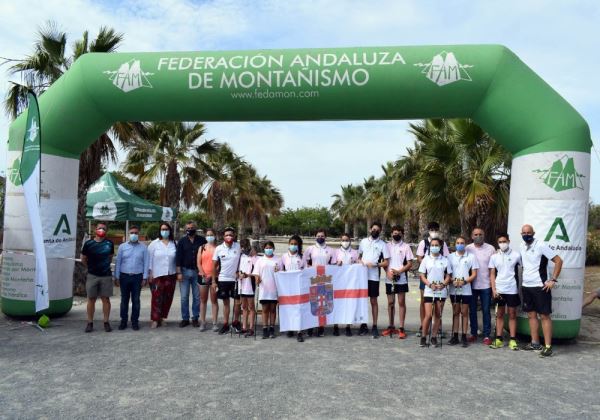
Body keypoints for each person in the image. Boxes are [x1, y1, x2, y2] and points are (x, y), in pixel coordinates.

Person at [520, 224, 563, 358]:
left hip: (540, 286)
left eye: (529, 232)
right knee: (531, 315)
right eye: (524, 233)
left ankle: (548, 346)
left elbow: (558, 261)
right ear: (521, 234)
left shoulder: (541, 245)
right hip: (526, 286)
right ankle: (535, 343)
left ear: (533, 233)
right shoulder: (522, 246)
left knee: (544, 316)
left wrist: (553, 280)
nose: (526, 235)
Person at [416, 222, 450, 337]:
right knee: (424, 301)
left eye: (436, 229)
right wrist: (427, 266)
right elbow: (419, 257)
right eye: (431, 229)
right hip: (427, 276)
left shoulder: (443, 243)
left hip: (440, 277)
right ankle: (423, 325)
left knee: (439, 306)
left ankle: (438, 327)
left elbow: (446, 258)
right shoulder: (423, 242)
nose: (434, 231)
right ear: (428, 230)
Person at [488, 234, 521, 351]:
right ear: (498, 243)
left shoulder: (516, 255)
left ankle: (512, 340)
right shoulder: (494, 257)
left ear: (509, 241)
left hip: (512, 289)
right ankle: (499, 339)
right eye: (500, 242)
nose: (502, 243)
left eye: (504, 241)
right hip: (499, 289)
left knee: (512, 314)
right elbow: (492, 274)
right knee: (500, 314)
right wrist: (494, 290)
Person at [358, 222, 390, 339]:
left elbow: (386, 262)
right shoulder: (363, 242)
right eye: (373, 229)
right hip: (362, 276)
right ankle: (363, 324)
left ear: (380, 231)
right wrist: (361, 262)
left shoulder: (383, 244)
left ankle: (375, 326)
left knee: (373, 301)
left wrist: (376, 264)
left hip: (374, 277)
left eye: (377, 230)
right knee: (363, 301)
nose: (375, 231)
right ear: (370, 229)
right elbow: (358, 257)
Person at [418, 238, 452, 347]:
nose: (434, 247)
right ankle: (423, 337)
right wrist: (429, 284)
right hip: (429, 290)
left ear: (440, 246)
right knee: (428, 315)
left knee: (438, 314)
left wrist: (443, 284)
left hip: (441, 291)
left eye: (436, 245)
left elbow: (448, 276)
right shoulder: (426, 259)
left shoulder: (445, 260)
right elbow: (422, 275)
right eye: (432, 245)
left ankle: (433, 337)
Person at [81, 222, 115, 333]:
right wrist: (91, 267)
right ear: (96, 229)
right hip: (92, 275)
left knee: (106, 299)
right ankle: (90, 323)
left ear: (106, 231)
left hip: (106, 276)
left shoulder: (109, 243)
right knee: (91, 299)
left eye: (104, 228)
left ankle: (106, 322)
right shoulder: (88, 243)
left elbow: (110, 258)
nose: (101, 230)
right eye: (100, 228)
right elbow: (83, 259)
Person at [303, 228, 337, 336]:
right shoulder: (310, 249)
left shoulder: (331, 250)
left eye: (322, 236)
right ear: (315, 236)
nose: (320, 238)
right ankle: (310, 327)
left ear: (325, 237)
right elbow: (306, 264)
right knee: (312, 303)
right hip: (313, 280)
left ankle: (321, 327)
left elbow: (334, 265)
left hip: (325, 280)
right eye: (318, 236)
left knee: (322, 303)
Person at [114, 225, 148, 331]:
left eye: (136, 233)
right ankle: (123, 321)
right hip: (124, 276)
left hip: (137, 277)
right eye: (132, 233)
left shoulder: (143, 247)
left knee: (136, 300)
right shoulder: (122, 247)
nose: (134, 235)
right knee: (124, 300)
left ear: (139, 234)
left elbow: (146, 263)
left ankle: (134, 322)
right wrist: (116, 276)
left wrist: (145, 277)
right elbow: (118, 262)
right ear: (129, 234)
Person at [466, 227, 496, 345]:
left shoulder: (491, 248)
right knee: (472, 310)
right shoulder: (468, 248)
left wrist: (493, 285)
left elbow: (494, 268)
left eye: (480, 234)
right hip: (471, 285)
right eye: (476, 234)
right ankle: (473, 333)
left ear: (484, 235)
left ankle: (487, 335)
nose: (478, 236)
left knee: (486, 310)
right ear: (472, 236)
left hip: (486, 285)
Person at [447, 236, 478, 347]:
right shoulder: (450, 257)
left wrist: (464, 282)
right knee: (455, 312)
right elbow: (448, 274)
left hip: (466, 289)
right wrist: (452, 281)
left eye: (462, 242)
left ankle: (464, 336)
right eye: (458, 242)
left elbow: (474, 274)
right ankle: (455, 336)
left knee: (464, 313)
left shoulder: (471, 257)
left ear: (465, 244)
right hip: (453, 289)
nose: (460, 244)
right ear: (455, 244)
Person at [383, 226, 413, 339]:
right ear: (391, 234)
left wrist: (400, 271)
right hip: (389, 278)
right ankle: (391, 326)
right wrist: (387, 273)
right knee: (390, 303)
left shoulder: (406, 247)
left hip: (401, 279)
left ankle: (401, 328)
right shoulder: (386, 246)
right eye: (395, 233)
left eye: (399, 233)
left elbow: (409, 264)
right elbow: (384, 262)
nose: (397, 234)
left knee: (401, 302)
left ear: (402, 234)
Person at [175, 221, 206, 327]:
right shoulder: (182, 241)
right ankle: (185, 318)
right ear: (185, 229)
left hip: (198, 272)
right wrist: (178, 272)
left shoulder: (202, 240)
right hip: (184, 271)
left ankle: (195, 318)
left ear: (195, 228)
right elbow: (178, 257)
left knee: (197, 297)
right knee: (184, 297)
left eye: (192, 227)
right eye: (188, 228)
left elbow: (206, 255)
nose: (190, 229)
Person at [212, 227, 242, 334]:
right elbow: (214, 266)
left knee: (237, 303)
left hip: (236, 280)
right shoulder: (218, 248)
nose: (229, 237)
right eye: (226, 235)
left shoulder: (238, 246)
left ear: (234, 237)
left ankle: (235, 322)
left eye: (231, 235)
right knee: (226, 303)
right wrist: (214, 281)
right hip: (223, 279)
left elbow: (248, 254)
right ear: (223, 237)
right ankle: (225, 324)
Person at [148, 223, 177, 329]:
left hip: (171, 274)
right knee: (156, 298)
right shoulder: (154, 244)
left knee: (167, 298)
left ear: (170, 230)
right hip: (157, 275)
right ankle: (155, 319)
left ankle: (162, 317)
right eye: (162, 229)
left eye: (166, 229)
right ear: (159, 231)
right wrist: (150, 273)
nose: (164, 231)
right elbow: (149, 259)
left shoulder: (174, 243)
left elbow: (177, 259)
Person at [252, 241, 282, 339]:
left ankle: (272, 328)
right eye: (267, 248)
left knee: (273, 309)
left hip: (274, 289)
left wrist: (279, 272)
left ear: (273, 248)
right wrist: (257, 278)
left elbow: (282, 273)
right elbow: (256, 273)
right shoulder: (260, 260)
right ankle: (265, 328)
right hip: (264, 288)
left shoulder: (278, 259)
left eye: (270, 247)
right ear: (264, 249)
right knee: (265, 309)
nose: (268, 249)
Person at [281, 235, 306, 341]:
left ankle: (299, 331)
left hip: (298, 287)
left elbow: (306, 271)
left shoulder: (302, 257)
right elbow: (280, 271)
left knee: (299, 309)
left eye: (295, 244)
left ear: (298, 245)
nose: (293, 246)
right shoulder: (284, 257)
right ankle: (290, 328)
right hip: (287, 287)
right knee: (288, 308)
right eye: (291, 244)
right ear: (288, 244)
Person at [334, 233, 359, 337]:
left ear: (350, 241)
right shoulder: (335, 252)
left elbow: (358, 264)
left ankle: (348, 326)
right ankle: (336, 326)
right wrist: (336, 264)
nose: (345, 242)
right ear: (340, 241)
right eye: (343, 240)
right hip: (338, 282)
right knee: (337, 304)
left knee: (349, 303)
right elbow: (331, 265)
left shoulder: (355, 252)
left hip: (350, 282)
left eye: (347, 240)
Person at [197, 228, 219, 331]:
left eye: (211, 235)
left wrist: (212, 276)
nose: (209, 236)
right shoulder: (201, 248)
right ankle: (203, 322)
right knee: (203, 300)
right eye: (208, 235)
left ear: (214, 236)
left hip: (214, 278)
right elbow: (198, 263)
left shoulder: (218, 248)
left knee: (214, 300)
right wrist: (203, 274)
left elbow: (219, 264)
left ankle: (214, 323)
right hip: (203, 277)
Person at [238, 238, 257, 337]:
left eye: (245, 245)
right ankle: (244, 327)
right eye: (242, 245)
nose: (244, 247)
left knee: (251, 306)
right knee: (244, 306)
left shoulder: (253, 255)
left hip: (250, 284)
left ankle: (251, 328)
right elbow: (237, 269)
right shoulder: (240, 255)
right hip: (241, 283)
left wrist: (247, 275)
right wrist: (239, 274)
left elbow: (256, 271)